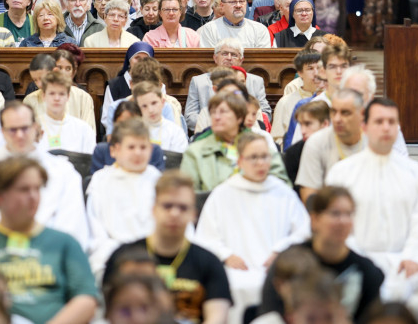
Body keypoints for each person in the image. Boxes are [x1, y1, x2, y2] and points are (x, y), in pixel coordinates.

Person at [0, 156, 98, 324]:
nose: (33, 196)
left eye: (37, 189)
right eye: (24, 190)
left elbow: (86, 300)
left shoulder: (65, 244)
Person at [326, 98, 418, 301]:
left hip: (406, 265)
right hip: (357, 262)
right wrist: (357, 260)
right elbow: (334, 223)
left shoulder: (417, 174)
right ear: (364, 127)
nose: (386, 128)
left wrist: (414, 256)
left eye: (391, 122)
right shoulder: (342, 173)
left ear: (398, 127)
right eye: (379, 122)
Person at [196, 132, 310, 319]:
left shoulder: (283, 193)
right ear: (240, 161)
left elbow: (304, 232)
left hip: (275, 269)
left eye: (265, 157)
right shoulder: (223, 193)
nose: (260, 163)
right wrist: (226, 255)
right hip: (236, 271)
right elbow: (205, 237)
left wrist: (281, 250)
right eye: (253, 157)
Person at [0, 102, 89, 247]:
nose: (19, 135)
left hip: (48, 252)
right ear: (3, 132)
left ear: (35, 128)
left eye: (25, 128)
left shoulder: (63, 171)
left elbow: (72, 226)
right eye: (12, 130)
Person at [103, 171, 232, 324]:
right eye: (167, 206)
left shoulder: (210, 262)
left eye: (183, 208)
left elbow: (217, 317)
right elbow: (110, 314)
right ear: (154, 209)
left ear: (193, 214)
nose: (174, 213)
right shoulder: (123, 257)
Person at [258, 187, 384, 322]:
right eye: (335, 213)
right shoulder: (289, 262)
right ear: (315, 219)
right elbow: (270, 313)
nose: (343, 221)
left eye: (348, 214)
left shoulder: (368, 272)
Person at [86, 118, 163, 274]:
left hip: (154, 256)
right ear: (115, 150)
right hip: (112, 257)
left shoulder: (159, 181)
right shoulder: (101, 181)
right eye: (131, 147)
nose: (138, 152)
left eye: (143, 147)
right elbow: (96, 232)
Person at [182, 92, 289, 191]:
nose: (216, 117)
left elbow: (282, 183)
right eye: (213, 112)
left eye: (223, 112)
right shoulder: (195, 151)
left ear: (239, 117)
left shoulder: (259, 144)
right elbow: (187, 193)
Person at [185, 38, 272, 129]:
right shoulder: (198, 82)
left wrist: (242, 123)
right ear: (215, 58)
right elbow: (190, 117)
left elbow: (266, 113)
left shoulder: (256, 81)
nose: (229, 58)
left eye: (234, 55)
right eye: (224, 54)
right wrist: (220, 123)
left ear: (241, 60)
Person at [24, 50, 95, 133]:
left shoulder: (83, 97)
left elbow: (89, 131)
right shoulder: (30, 99)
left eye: (68, 69)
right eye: (59, 68)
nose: (63, 73)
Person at [91, 100, 166, 173]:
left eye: (133, 123)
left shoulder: (154, 151)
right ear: (114, 124)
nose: (128, 128)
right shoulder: (102, 151)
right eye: (123, 124)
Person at [35, 71, 95, 154]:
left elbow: (89, 159)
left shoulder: (83, 129)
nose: (57, 98)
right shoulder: (32, 128)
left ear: (68, 96)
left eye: (61, 94)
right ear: (44, 96)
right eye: (52, 93)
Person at [271, 51, 321, 144]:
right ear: (300, 73)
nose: (316, 73)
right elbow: (277, 139)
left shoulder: (329, 97)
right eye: (310, 68)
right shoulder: (285, 102)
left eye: (319, 68)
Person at [198, 0, 271, 48]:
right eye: (233, 2)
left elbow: (262, 59)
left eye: (241, 1)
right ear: (222, 6)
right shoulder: (210, 30)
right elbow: (208, 58)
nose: (238, 5)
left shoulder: (259, 30)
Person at [131, 82, 188, 152]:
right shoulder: (132, 131)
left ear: (163, 102)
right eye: (144, 106)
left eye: (154, 103)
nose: (151, 110)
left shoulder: (175, 131)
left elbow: (179, 157)